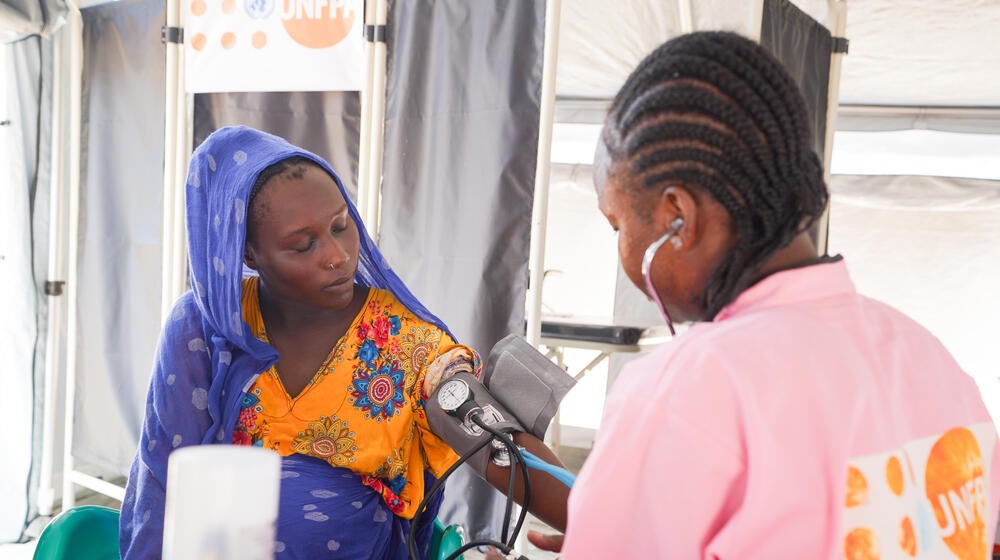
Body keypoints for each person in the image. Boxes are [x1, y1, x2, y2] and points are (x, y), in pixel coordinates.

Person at [493, 31, 1000, 558]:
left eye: (617, 225)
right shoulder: (931, 361)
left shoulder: (687, 388)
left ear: (678, 218)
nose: (622, 253)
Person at [119, 126, 480, 559]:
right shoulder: (204, 329)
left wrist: (582, 514)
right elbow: (163, 480)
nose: (338, 255)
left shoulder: (403, 338)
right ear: (249, 254)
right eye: (303, 245)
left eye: (341, 225)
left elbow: (502, 450)